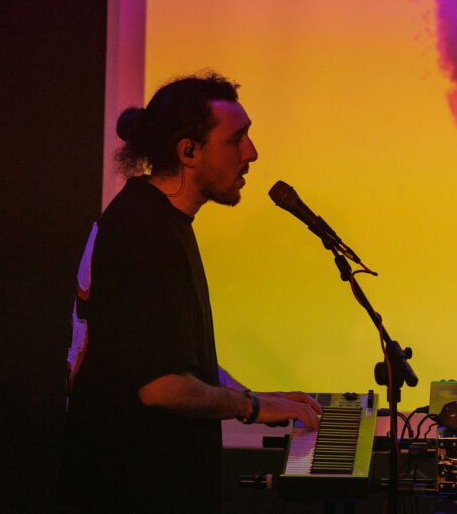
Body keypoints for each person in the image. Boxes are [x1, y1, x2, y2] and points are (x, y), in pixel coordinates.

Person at [61, 72, 321, 512]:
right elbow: (162, 386)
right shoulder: (144, 234)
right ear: (188, 152)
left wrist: (262, 398)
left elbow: (171, 357)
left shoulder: (154, 220)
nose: (251, 153)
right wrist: (251, 407)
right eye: (236, 140)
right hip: (134, 492)